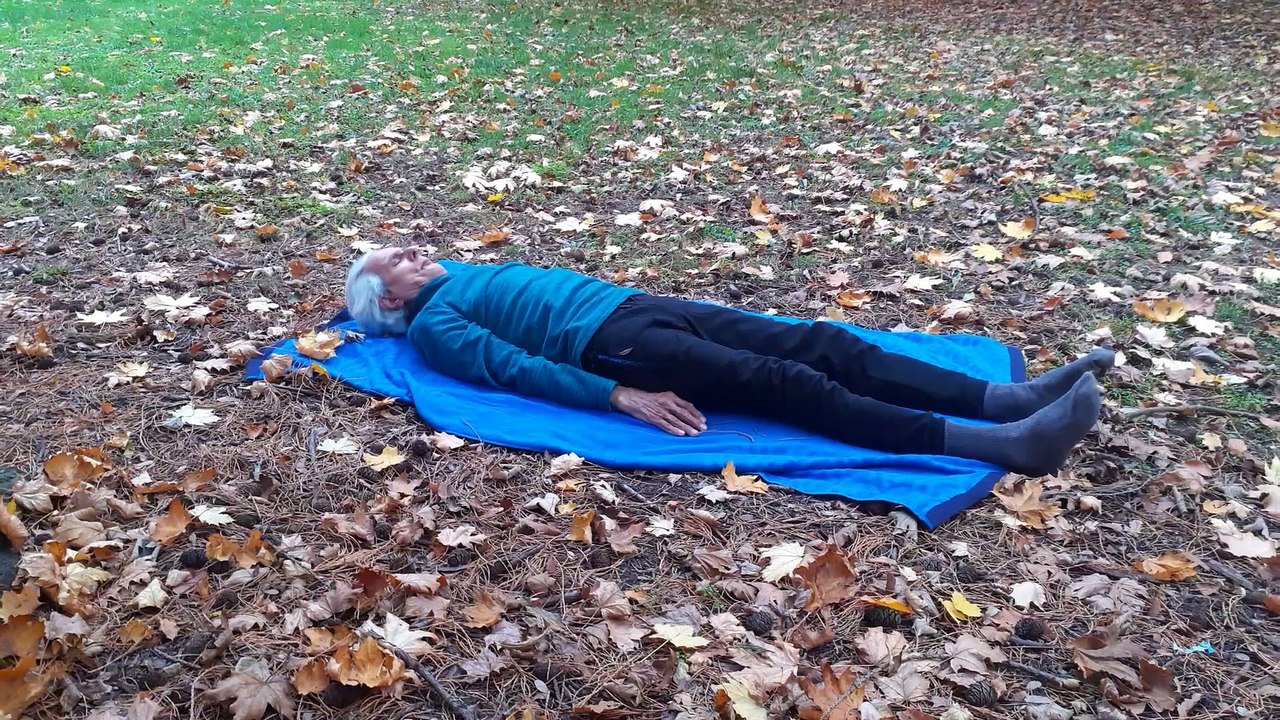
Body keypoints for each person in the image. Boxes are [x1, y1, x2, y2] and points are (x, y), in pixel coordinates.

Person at [345, 247, 1111, 476]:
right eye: (395, 260)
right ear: (390, 299)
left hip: (637, 306)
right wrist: (616, 395)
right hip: (613, 347)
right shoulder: (434, 324)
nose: (412, 249)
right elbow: (515, 369)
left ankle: (1001, 400)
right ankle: (1006, 445)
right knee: (787, 383)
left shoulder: (453, 276)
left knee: (823, 342)